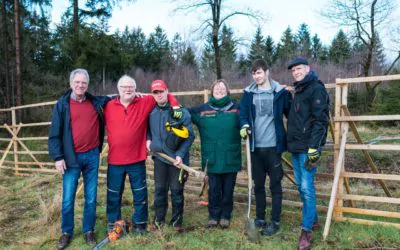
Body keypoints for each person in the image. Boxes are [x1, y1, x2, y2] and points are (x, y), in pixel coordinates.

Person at [104, 75, 182, 235]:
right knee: (113, 194)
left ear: (135, 89)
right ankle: (113, 224)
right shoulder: (108, 105)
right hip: (115, 160)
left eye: (131, 87)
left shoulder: (144, 102)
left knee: (140, 194)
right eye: (124, 87)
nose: (127, 90)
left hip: (136, 159)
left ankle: (140, 224)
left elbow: (163, 94)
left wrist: (175, 105)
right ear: (118, 89)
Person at [48, 68, 110, 249]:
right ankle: (67, 232)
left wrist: (132, 92)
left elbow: (115, 98)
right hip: (70, 158)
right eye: (77, 82)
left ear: (87, 85)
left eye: (84, 83)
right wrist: (58, 157)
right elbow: (54, 134)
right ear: (71, 84)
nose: (80, 85)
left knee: (91, 198)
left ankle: (88, 230)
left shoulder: (95, 102)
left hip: (92, 156)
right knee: (68, 198)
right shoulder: (62, 104)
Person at [239, 59, 292, 236]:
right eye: (254, 73)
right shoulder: (248, 94)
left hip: (273, 148)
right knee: (259, 185)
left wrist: (290, 95)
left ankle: (275, 221)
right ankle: (260, 218)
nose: (256, 76)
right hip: (255, 147)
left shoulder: (279, 92)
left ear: (267, 72)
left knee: (275, 185)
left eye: (259, 72)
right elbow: (243, 115)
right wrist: (244, 125)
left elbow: (290, 113)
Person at [286, 57, 329, 250]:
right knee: (301, 188)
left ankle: (306, 232)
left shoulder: (316, 89)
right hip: (296, 147)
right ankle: (313, 220)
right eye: (293, 70)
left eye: (299, 69)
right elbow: (297, 119)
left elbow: (321, 120)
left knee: (306, 188)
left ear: (308, 69)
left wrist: (314, 146)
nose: (296, 72)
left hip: (307, 149)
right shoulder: (299, 91)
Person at [189, 79, 241, 229]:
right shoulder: (203, 110)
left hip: (230, 156)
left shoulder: (237, 109)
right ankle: (213, 215)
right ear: (212, 91)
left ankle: (225, 215)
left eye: (222, 88)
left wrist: (246, 126)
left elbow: (249, 117)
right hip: (211, 157)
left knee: (228, 189)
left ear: (227, 91)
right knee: (214, 189)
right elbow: (184, 112)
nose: (219, 90)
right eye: (216, 88)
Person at [146, 80, 195, 232]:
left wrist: (180, 155)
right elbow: (147, 130)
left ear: (167, 91)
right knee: (160, 190)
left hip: (176, 160)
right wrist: (148, 140)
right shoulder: (151, 112)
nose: (159, 95)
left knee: (176, 190)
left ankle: (176, 223)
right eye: (156, 92)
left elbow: (190, 136)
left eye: (161, 91)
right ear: (152, 95)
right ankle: (158, 221)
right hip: (160, 158)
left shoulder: (179, 111)